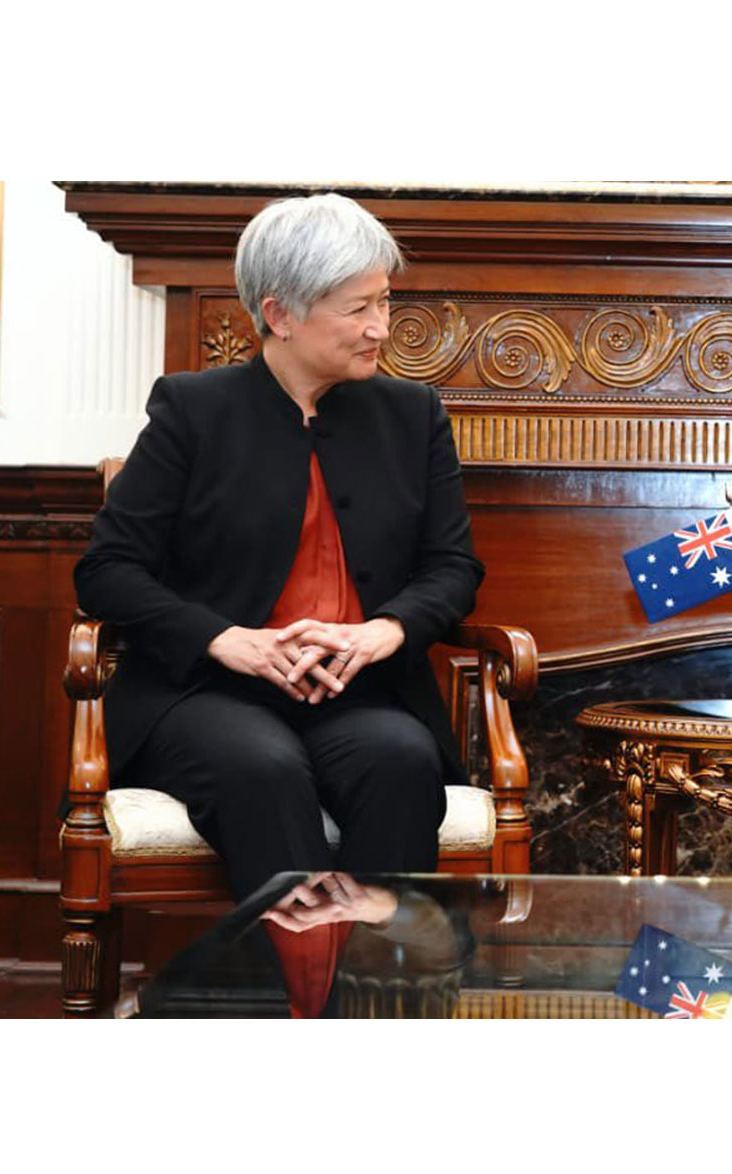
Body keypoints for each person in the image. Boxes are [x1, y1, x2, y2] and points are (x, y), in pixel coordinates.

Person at [75, 191, 484, 908]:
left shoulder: (412, 415)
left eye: (384, 302)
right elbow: (106, 572)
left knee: (402, 762)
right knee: (261, 768)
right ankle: (288, 1005)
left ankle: (380, 1000)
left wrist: (383, 632)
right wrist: (225, 639)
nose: (380, 328)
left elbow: (453, 567)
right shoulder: (193, 410)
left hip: (358, 693)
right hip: (206, 695)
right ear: (280, 314)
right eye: (358, 309)